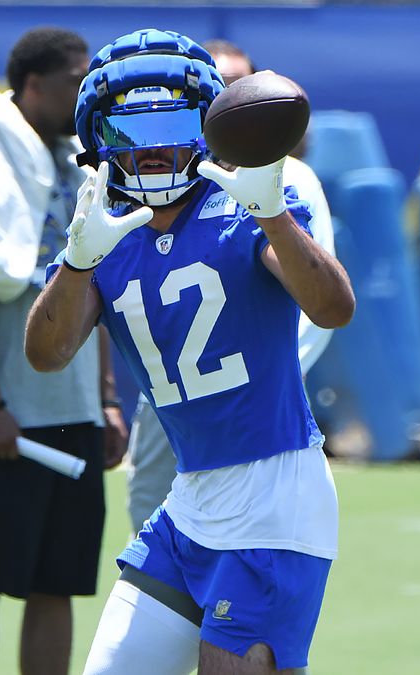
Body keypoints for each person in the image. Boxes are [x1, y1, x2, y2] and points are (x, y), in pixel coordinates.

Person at [25, 28, 355, 674]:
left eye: (172, 124)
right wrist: (76, 261)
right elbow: (46, 351)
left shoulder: (243, 204)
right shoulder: (105, 227)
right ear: (97, 139)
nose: (151, 152)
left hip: (275, 496)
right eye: (128, 133)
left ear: (207, 124)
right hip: (191, 503)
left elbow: (333, 307)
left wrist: (274, 218)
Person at [0, 27, 127, 675]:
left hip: (71, 410)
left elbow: (87, 291)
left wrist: (105, 399)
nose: (86, 92)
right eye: (75, 80)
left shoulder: (81, 167)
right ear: (32, 85)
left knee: (58, 582)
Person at [123, 38, 338, 534]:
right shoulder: (158, 184)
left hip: (253, 391)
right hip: (170, 389)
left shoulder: (290, 178)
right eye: (222, 89)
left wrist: (272, 372)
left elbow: (316, 301)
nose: (232, 100)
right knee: (153, 521)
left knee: (257, 537)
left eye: (243, 88)